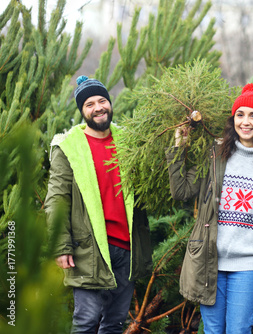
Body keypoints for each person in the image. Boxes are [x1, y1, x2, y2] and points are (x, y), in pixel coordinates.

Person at [167, 82, 253, 333]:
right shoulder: (214, 155)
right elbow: (181, 191)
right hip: (211, 259)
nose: (246, 122)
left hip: (249, 262)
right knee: (213, 330)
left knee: (239, 329)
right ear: (233, 119)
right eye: (240, 114)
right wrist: (178, 148)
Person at [45, 76, 152, 334]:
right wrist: (61, 246)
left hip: (126, 247)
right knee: (86, 321)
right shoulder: (68, 147)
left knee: (115, 323)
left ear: (110, 103)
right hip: (88, 249)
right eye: (90, 104)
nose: (98, 107)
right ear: (82, 111)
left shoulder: (128, 141)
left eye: (102, 100)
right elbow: (57, 199)